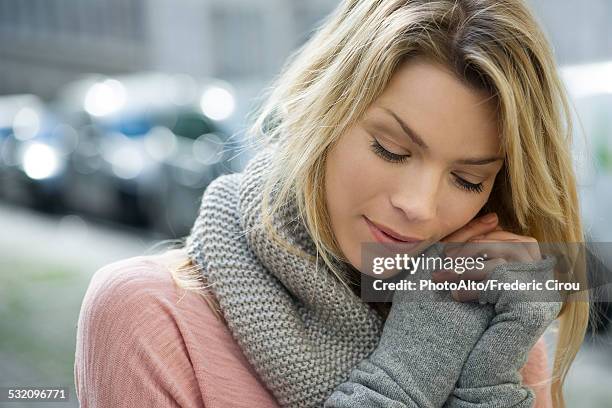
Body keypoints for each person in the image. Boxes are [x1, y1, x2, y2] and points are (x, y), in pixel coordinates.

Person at [74, 0, 589, 407]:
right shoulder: (149, 318)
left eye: (467, 179)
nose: (419, 206)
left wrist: (486, 385)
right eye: (390, 149)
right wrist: (410, 371)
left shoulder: (480, 316)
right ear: (322, 110)